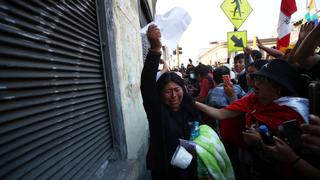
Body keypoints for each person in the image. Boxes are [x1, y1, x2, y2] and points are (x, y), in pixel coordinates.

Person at [195, 59, 309, 179]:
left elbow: (291, 155)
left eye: (262, 81)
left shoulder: (295, 114)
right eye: (256, 79)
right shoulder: (252, 99)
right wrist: (194, 103)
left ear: (278, 87)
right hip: (252, 163)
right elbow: (221, 114)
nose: (255, 84)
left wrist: (261, 140)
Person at [140, 25, 198, 180]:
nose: (173, 95)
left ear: (183, 90)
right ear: (160, 93)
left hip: (188, 169)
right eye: (168, 91)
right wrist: (155, 49)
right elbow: (146, 84)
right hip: (163, 171)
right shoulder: (156, 110)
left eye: (177, 90)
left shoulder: (191, 108)